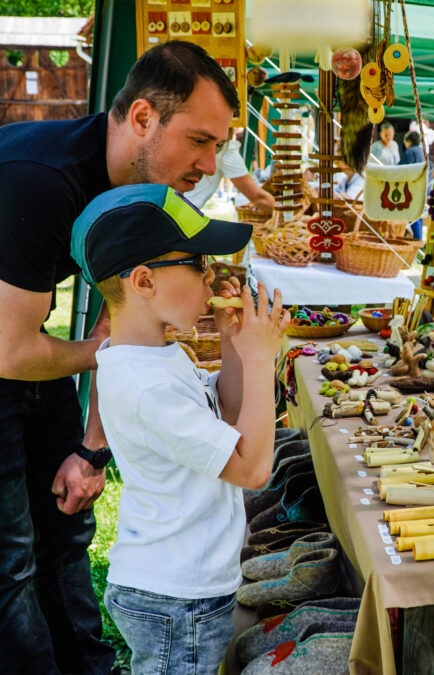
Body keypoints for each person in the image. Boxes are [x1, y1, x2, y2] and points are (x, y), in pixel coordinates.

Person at [0, 41, 240, 674]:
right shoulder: (34, 177)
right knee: (7, 557)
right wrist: (105, 353)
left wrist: (91, 449)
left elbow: (115, 321)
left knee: (66, 528)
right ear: (145, 118)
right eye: (200, 141)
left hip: (14, 342)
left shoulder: (147, 183)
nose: (209, 166)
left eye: (218, 147)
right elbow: (13, 353)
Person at [71, 184, 287, 675]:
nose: (212, 277)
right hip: (176, 597)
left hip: (181, 583)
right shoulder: (145, 385)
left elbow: (228, 416)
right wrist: (259, 359)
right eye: (198, 263)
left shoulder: (156, 355)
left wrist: (234, 348)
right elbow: (251, 469)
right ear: (144, 281)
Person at [184, 131, 274, 212]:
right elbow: (258, 198)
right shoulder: (225, 149)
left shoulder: (192, 139)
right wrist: (284, 213)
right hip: (183, 211)